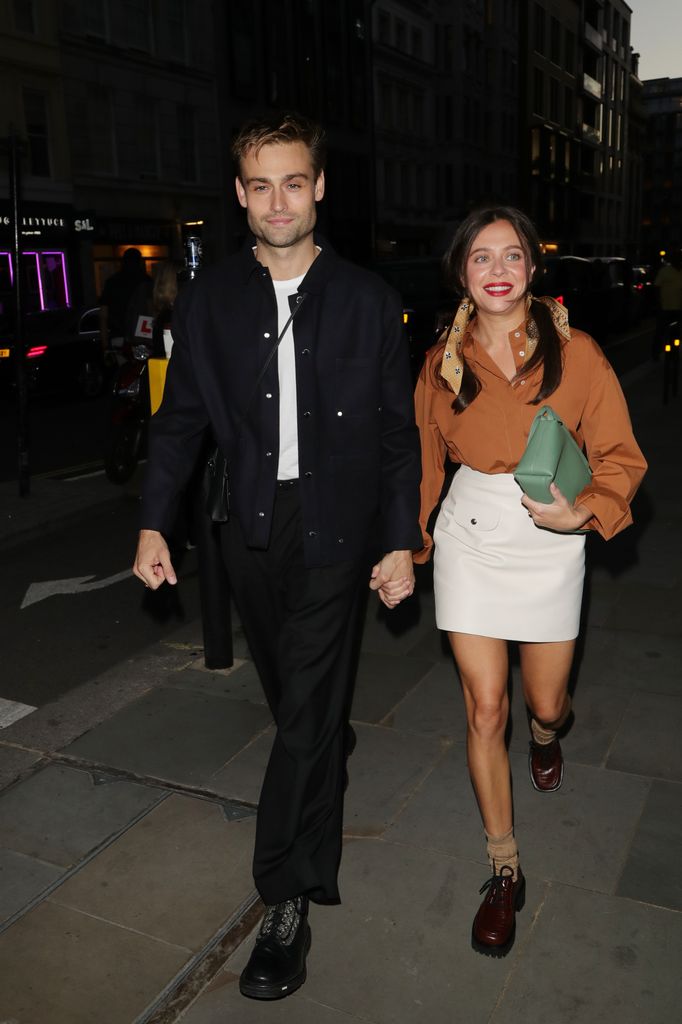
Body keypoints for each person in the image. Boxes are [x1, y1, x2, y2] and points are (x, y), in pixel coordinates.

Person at [133, 113, 421, 1000]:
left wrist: (399, 538)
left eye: (294, 182)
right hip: (249, 526)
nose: (278, 201)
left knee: (299, 722)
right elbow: (180, 421)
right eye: (260, 185)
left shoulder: (368, 299)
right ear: (240, 196)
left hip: (338, 526)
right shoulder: (212, 299)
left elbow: (395, 437)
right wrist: (152, 522)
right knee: (300, 701)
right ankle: (324, 748)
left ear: (319, 187)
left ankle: (283, 900)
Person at [414, 205, 647, 959]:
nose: (497, 270)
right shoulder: (440, 364)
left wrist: (584, 517)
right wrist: (406, 547)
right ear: (461, 272)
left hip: (551, 536)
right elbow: (420, 463)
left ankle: (548, 735)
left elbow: (620, 455)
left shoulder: (577, 353)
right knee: (485, 710)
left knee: (542, 704)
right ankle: (505, 869)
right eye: (481, 257)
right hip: (471, 536)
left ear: (532, 269)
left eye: (510, 255)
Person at [98, 247, 153, 357]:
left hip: (117, 337)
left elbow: (103, 315)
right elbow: (150, 312)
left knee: (122, 371)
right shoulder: (146, 281)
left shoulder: (112, 282)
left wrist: (105, 346)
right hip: (140, 338)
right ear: (140, 262)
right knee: (141, 371)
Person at [652, 250, 682, 360]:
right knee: (660, 332)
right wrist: (658, 303)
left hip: (678, 308)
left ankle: (675, 352)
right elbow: (656, 287)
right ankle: (655, 353)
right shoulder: (665, 271)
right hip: (664, 308)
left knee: (677, 333)